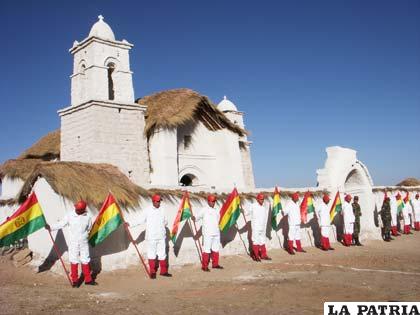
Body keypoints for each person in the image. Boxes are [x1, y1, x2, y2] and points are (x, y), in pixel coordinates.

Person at [45, 200, 97, 287]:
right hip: (74, 242)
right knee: (74, 259)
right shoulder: (70, 216)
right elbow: (61, 224)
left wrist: (86, 236)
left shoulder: (87, 216)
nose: (77, 211)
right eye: (76, 209)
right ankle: (75, 281)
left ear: (83, 210)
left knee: (85, 259)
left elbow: (89, 228)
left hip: (84, 242)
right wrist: (51, 227)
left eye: (79, 210)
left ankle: (88, 280)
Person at [127, 194, 171, 279]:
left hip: (161, 236)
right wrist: (130, 224)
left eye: (160, 201)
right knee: (152, 254)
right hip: (151, 237)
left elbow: (166, 221)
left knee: (162, 254)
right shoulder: (147, 210)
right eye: (158, 201)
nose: (159, 203)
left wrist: (162, 225)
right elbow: (139, 220)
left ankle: (164, 271)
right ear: (153, 201)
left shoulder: (162, 210)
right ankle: (152, 272)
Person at [193, 194, 223, 271]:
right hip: (207, 234)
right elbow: (197, 217)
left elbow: (219, 221)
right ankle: (205, 266)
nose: (213, 203)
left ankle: (215, 264)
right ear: (208, 201)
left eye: (214, 201)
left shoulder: (216, 210)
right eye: (212, 201)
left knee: (216, 249)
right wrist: (194, 218)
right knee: (206, 250)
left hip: (216, 233)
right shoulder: (204, 209)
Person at [244, 193, 271, 261]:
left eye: (263, 199)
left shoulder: (264, 207)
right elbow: (246, 213)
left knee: (262, 241)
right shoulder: (253, 206)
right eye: (261, 199)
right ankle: (256, 255)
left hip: (262, 227)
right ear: (257, 199)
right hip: (255, 227)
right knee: (255, 241)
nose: (262, 200)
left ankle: (263, 255)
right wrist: (243, 211)